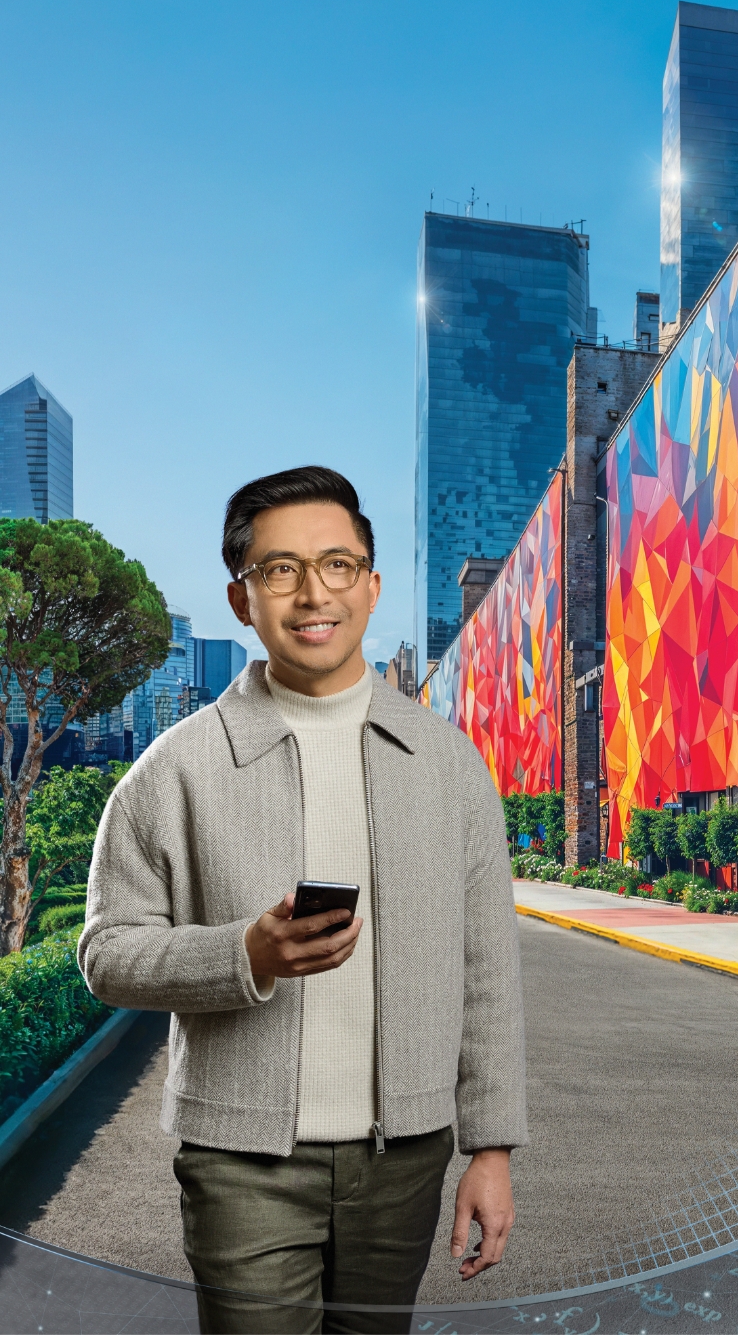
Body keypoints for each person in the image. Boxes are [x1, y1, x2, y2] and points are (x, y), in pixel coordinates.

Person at [79, 465, 527, 1334]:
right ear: (242, 598)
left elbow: (487, 970)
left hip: (407, 1157)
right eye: (279, 570)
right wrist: (240, 956)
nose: (312, 592)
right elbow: (106, 953)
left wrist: (492, 1148)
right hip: (242, 1162)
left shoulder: (447, 764)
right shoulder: (175, 769)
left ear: (372, 584)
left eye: (338, 565)